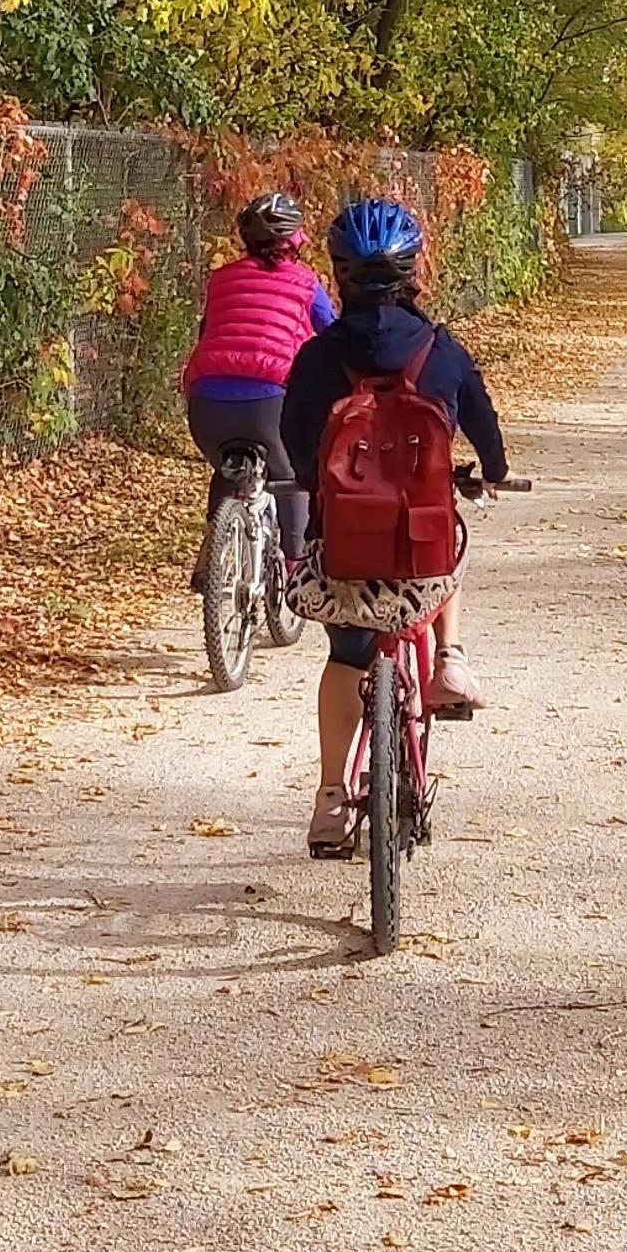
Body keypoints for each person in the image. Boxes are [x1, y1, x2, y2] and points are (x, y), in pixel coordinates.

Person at [280, 194, 508, 856]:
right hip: (420, 560)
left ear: (339, 275)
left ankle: (330, 798)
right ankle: (452, 662)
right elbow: (484, 427)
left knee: (344, 656)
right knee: (451, 539)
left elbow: (296, 439)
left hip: (344, 554)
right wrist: (489, 470)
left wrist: (315, 480)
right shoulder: (441, 349)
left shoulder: (320, 358)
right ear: (414, 272)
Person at [180, 191, 335, 579]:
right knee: (291, 476)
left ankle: (214, 548)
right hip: (271, 398)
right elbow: (332, 334)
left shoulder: (221, 280)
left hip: (207, 400)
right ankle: (297, 565)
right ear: (293, 239)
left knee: (226, 469)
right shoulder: (305, 283)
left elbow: (209, 331)